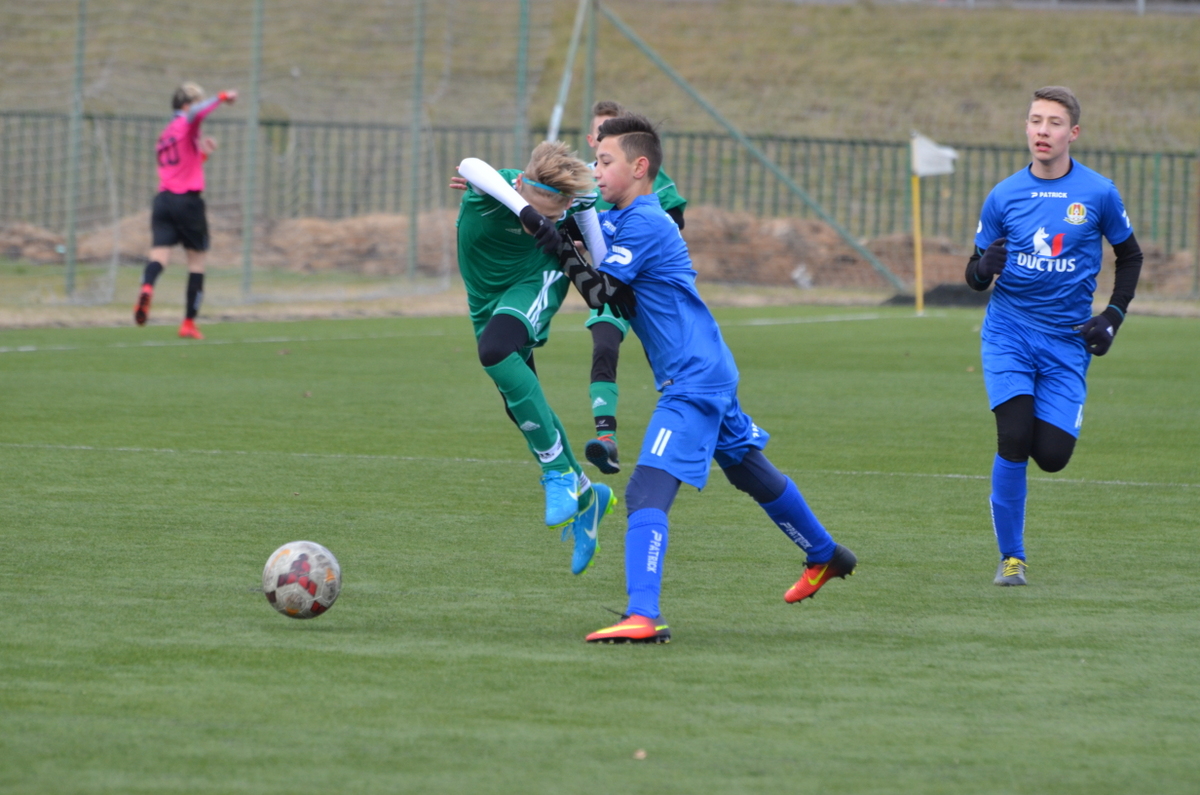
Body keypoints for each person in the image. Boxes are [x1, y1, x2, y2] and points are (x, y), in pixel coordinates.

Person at [534, 114, 856, 643]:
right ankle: (825, 554)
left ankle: (643, 615)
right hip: (706, 368)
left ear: (640, 168)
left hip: (693, 380)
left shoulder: (646, 222)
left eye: (605, 161)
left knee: (644, 494)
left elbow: (603, 294)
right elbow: (563, 221)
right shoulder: (619, 216)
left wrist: (554, 240)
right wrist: (503, 196)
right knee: (748, 470)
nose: (596, 169)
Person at [965, 86, 1142, 587]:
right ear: (1026, 127)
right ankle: (1012, 558)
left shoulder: (1098, 192)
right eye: (1035, 120)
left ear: (1073, 133)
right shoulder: (1003, 195)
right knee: (1014, 436)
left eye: (1054, 123)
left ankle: (1015, 547)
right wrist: (982, 268)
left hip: (1066, 341)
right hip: (1009, 333)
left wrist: (1112, 316)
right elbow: (974, 277)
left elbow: (1130, 257)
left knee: (1053, 456)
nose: (1043, 131)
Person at [452, 141, 617, 575]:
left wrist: (578, 224)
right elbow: (470, 162)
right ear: (521, 185)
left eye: (551, 216)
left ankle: (557, 474)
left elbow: (599, 259)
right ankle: (585, 492)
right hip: (484, 296)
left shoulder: (568, 211)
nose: (541, 222)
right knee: (517, 400)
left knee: (495, 351)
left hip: (534, 279)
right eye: (535, 211)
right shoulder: (496, 187)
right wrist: (527, 214)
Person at [572, 100, 688, 476]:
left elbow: (667, 220)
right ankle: (606, 438)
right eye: (601, 133)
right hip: (608, 278)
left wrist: (614, 240)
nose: (605, 137)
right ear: (592, 139)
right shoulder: (583, 180)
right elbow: (543, 200)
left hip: (631, 279)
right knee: (604, 347)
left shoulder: (643, 199)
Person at [134, 83, 237, 340]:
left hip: (163, 201)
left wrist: (202, 154)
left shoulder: (165, 133)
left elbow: (181, 166)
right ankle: (188, 323)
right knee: (197, 263)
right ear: (187, 104)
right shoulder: (186, 122)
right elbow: (197, 114)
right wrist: (222, 97)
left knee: (159, 257)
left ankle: (147, 287)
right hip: (187, 202)